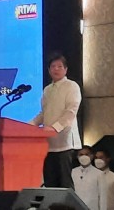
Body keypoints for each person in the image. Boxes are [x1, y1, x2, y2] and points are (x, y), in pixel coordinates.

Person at [29, 52, 82, 189]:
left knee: (65, 183)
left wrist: (54, 128)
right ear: (48, 70)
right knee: (51, 183)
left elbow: (71, 112)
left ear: (66, 69)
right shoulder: (47, 90)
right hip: (48, 144)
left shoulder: (72, 86)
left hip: (64, 143)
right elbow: (44, 114)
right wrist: (29, 126)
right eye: (53, 66)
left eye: (59, 66)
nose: (56, 69)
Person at [71, 145, 107, 210]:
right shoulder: (72, 172)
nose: (84, 157)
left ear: (92, 156)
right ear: (77, 156)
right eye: (81, 154)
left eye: (86, 154)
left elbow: (103, 197)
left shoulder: (99, 174)